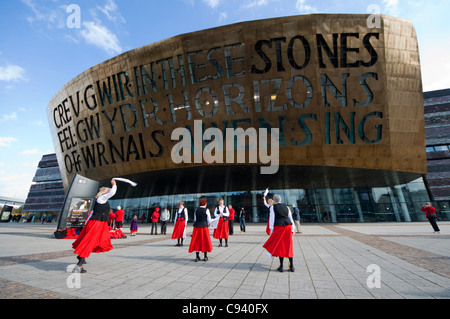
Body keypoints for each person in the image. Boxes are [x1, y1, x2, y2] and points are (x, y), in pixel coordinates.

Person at [72, 179, 117, 273]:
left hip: (98, 223)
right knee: (89, 241)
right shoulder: (101, 199)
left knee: (95, 241)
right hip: (97, 224)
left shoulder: (101, 200)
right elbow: (112, 192)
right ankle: (79, 265)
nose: (109, 192)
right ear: (104, 192)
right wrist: (114, 184)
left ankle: (81, 258)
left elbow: (92, 213)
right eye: (108, 190)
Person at [263, 194, 295, 272]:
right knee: (288, 246)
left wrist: (271, 231)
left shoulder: (273, 207)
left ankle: (281, 266)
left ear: (274, 200)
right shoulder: (286, 207)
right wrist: (293, 229)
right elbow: (290, 218)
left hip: (279, 227)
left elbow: (272, 220)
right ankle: (292, 266)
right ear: (280, 200)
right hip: (288, 227)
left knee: (281, 246)